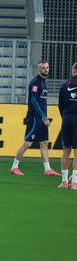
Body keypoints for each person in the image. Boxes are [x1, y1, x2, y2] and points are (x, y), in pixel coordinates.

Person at [10, 60, 60, 176]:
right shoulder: (36, 83)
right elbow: (33, 100)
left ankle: (47, 169)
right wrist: (43, 117)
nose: (46, 70)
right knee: (27, 143)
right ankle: (14, 167)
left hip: (42, 117)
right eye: (43, 68)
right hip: (34, 118)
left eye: (47, 67)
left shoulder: (43, 82)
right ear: (39, 69)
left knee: (44, 143)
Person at [57, 62, 77, 190]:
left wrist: (65, 116)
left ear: (73, 70)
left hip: (67, 118)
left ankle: (64, 182)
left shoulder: (64, 85)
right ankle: (74, 183)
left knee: (66, 150)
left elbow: (60, 105)